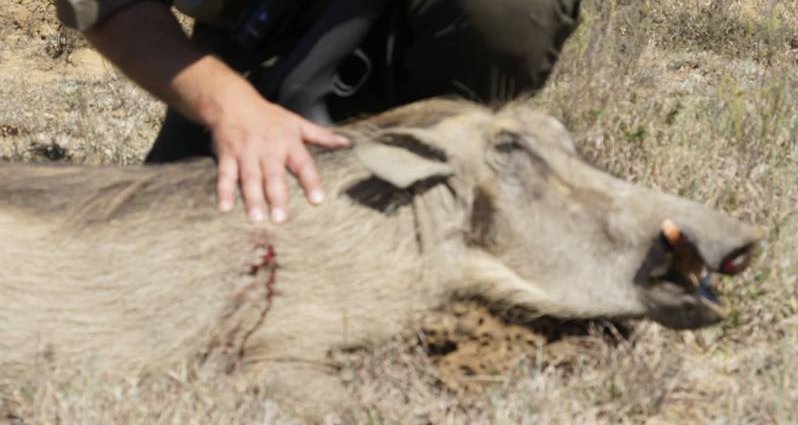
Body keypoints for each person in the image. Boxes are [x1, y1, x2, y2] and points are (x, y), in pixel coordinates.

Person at [54, 0, 581, 223]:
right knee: (178, 224)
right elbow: (111, 6)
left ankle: (441, 152)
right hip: (268, 25)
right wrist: (232, 105)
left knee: (502, 15)